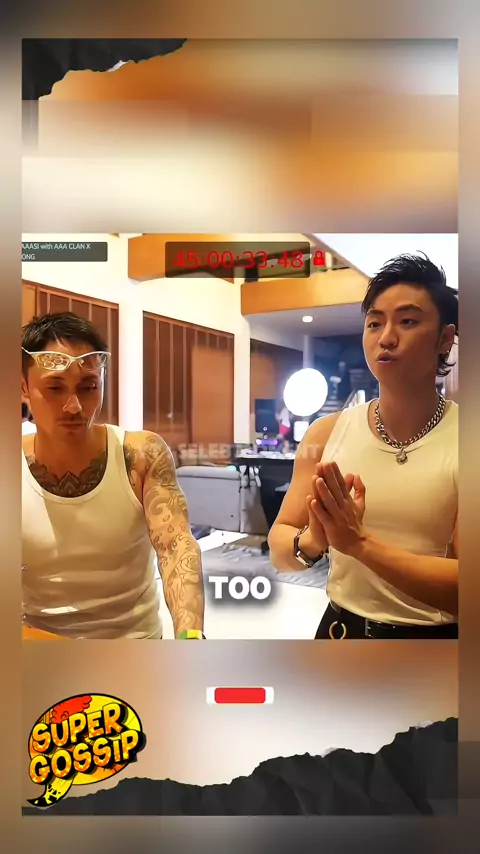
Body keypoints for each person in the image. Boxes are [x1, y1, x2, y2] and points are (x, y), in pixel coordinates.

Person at [269, 254, 458, 639]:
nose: (386, 337)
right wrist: (314, 540)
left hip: (432, 644)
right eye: (374, 323)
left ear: (444, 339)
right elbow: (280, 546)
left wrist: (358, 543)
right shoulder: (325, 434)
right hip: (340, 632)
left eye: (407, 321)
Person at [21, 311, 205, 640]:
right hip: (39, 645)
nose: (74, 406)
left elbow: (176, 546)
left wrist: (190, 635)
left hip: (133, 645)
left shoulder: (141, 454)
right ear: (23, 387)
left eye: (88, 387)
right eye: (55, 388)